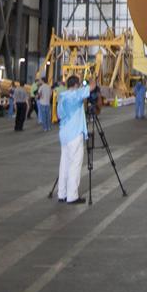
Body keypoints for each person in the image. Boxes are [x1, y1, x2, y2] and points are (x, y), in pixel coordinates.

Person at [55, 74, 96, 204]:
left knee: (64, 164)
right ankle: (72, 195)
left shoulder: (62, 97)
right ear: (76, 85)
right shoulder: (76, 94)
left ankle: (62, 193)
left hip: (64, 134)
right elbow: (93, 87)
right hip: (75, 134)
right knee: (75, 165)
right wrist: (91, 79)